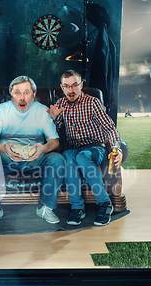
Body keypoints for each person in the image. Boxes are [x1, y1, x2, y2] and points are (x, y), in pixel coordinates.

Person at [0, 76, 65, 226]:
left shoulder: (42, 111)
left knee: (57, 159)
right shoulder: (1, 111)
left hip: (35, 158)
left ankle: (45, 208)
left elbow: (55, 141)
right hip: (7, 157)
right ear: (11, 94)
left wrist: (43, 149)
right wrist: (3, 148)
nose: (22, 97)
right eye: (17, 93)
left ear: (34, 94)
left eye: (26, 92)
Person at [48, 70, 123, 226]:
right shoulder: (61, 104)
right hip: (75, 149)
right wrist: (54, 118)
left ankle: (104, 203)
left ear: (81, 85)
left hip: (97, 149)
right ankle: (77, 207)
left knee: (82, 156)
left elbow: (110, 128)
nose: (71, 90)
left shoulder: (93, 103)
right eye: (67, 86)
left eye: (75, 85)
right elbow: (56, 130)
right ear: (62, 87)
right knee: (67, 156)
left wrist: (117, 149)